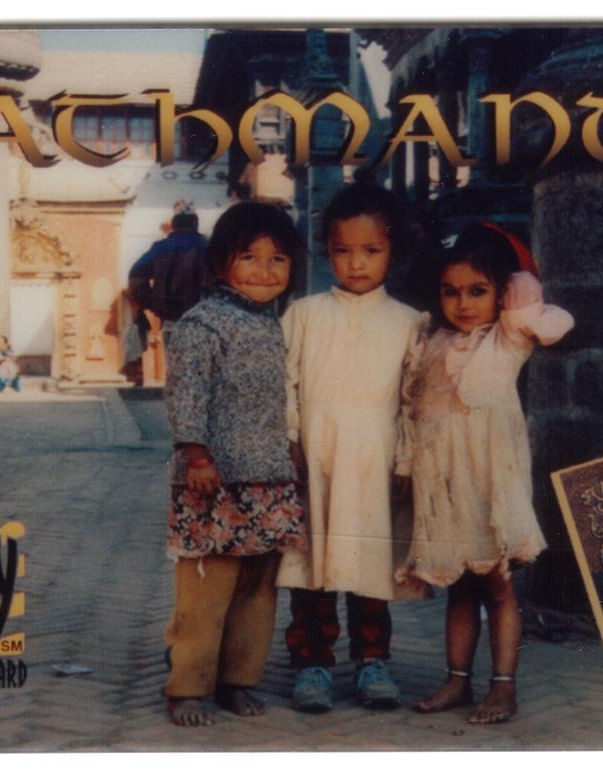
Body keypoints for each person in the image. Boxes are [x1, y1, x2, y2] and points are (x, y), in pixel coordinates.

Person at [395, 223, 574, 724]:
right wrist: (405, 464)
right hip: (444, 484)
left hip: (490, 482)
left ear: (501, 293)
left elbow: (553, 323)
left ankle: (503, 687)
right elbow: (410, 408)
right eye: (451, 291)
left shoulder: (507, 337)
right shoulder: (430, 340)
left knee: (497, 586)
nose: (463, 303)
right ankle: (457, 681)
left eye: (478, 291)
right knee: (460, 587)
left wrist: (522, 286)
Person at [277, 181, 424, 712]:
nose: (356, 263)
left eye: (371, 250)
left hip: (373, 463)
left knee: (370, 566)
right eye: (343, 250)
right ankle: (312, 663)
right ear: (327, 251)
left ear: (393, 250)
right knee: (312, 567)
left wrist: (405, 460)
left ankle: (372, 661)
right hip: (315, 462)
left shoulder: (409, 323)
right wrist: (290, 439)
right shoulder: (303, 315)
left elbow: (413, 400)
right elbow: (285, 382)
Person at [161, 202, 308, 727]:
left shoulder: (274, 323)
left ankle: (238, 681)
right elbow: (186, 394)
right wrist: (197, 455)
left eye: (278, 259)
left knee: (257, 591)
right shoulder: (203, 324)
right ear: (222, 262)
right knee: (206, 591)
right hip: (214, 479)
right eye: (250, 257)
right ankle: (187, 687)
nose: (265, 271)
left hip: (269, 479)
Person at [127, 210, 212, 350]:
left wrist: (151, 302)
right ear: (195, 225)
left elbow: (136, 276)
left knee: (175, 361)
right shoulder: (207, 246)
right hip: (203, 320)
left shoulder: (159, 248)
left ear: (173, 226)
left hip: (170, 320)